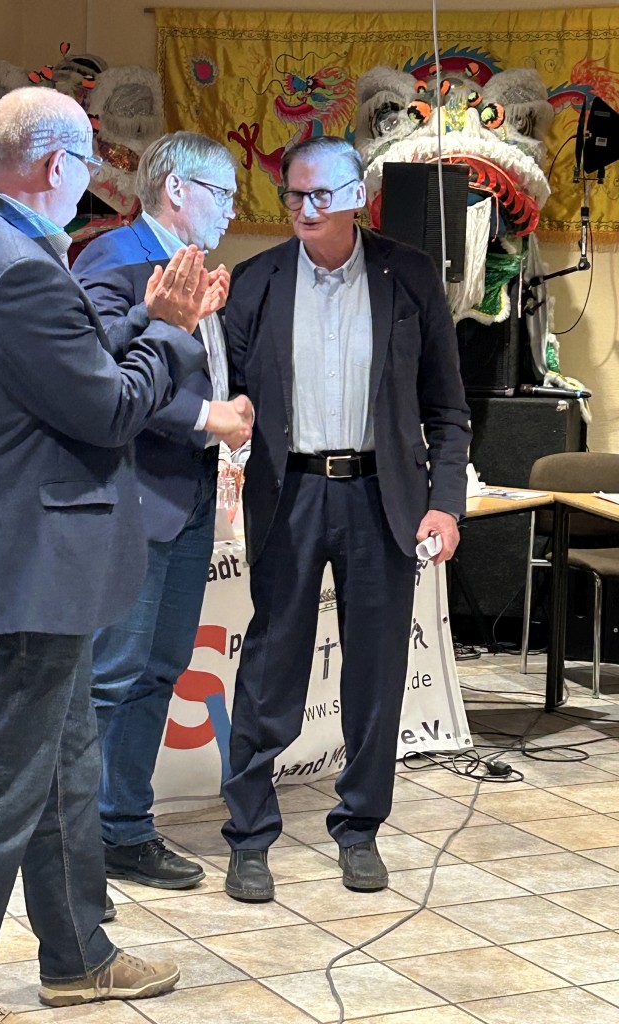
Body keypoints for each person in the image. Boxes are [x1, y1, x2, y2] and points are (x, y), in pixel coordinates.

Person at [0, 88, 213, 1024]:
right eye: (87, 165)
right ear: (54, 166)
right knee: (1, 787)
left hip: (38, 566)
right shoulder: (17, 267)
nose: (91, 182)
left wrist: (141, 319)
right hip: (27, 569)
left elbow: (70, 363)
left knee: (65, 774)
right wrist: (172, 330)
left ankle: (79, 957)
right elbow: (108, 408)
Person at [220, 136, 471, 902]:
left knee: (375, 673)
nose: (305, 207)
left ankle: (359, 829)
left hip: (380, 497)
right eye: (294, 194)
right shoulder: (256, 281)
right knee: (271, 668)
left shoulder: (409, 276)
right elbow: (227, 394)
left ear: (357, 196)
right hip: (289, 493)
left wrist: (445, 501)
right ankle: (249, 836)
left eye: (321, 194)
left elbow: (447, 408)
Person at [73, 131, 251, 891]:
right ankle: (74, 842)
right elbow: (100, 380)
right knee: (111, 678)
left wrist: (231, 423)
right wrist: (209, 418)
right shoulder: (113, 260)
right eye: (224, 194)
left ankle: (123, 829)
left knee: (159, 671)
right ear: (177, 189)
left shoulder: (194, 268)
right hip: (131, 500)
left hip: (188, 498)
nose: (234, 210)